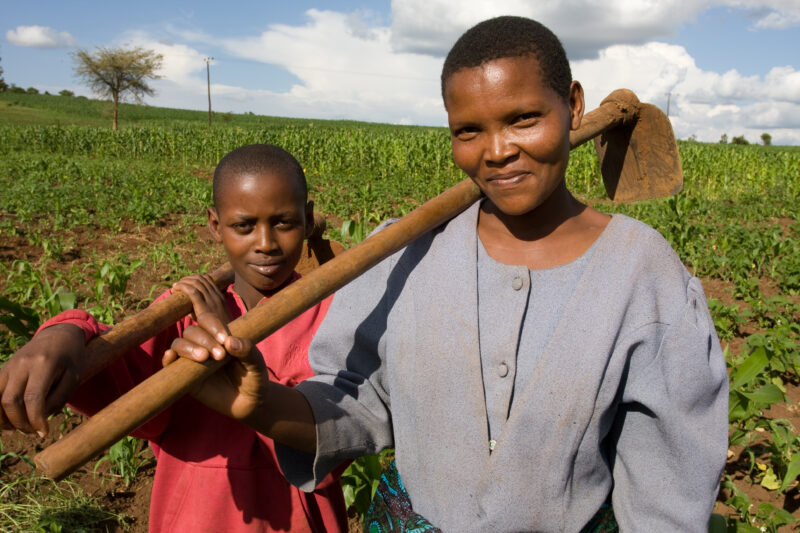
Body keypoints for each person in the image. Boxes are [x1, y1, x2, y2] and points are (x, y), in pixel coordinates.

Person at [165, 17, 729, 532]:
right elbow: (357, 403)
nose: (498, 150)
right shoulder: (407, 251)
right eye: (468, 130)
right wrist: (263, 406)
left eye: (524, 118)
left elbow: (666, 496)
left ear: (574, 107)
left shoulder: (643, 274)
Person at [0, 144, 349, 533]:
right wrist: (66, 333)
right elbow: (118, 371)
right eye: (244, 225)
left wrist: (231, 343)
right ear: (216, 226)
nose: (265, 242)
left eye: (284, 223)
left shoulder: (333, 314)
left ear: (306, 218)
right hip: (193, 520)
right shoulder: (184, 314)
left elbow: (343, 433)